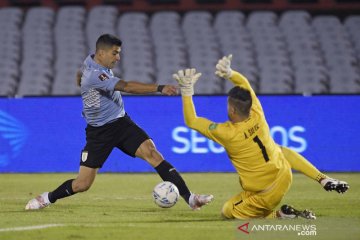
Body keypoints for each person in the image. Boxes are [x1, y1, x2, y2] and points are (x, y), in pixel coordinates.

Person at [25, 34, 213, 211]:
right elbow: (126, 86)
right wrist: (160, 88)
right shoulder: (94, 74)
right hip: (99, 132)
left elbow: (82, 73)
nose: (118, 58)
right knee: (82, 184)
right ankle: (47, 198)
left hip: (121, 123)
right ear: (102, 53)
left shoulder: (91, 61)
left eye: (119, 53)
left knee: (153, 154)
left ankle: (190, 198)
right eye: (115, 53)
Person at [172, 55, 349, 219]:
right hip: (284, 175)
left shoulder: (226, 133)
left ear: (232, 110)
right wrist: (230, 73)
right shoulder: (257, 111)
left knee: (227, 211)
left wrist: (187, 92)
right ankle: (323, 178)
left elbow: (192, 121)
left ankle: (278, 215)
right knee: (280, 150)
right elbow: (245, 83)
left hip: (265, 193)